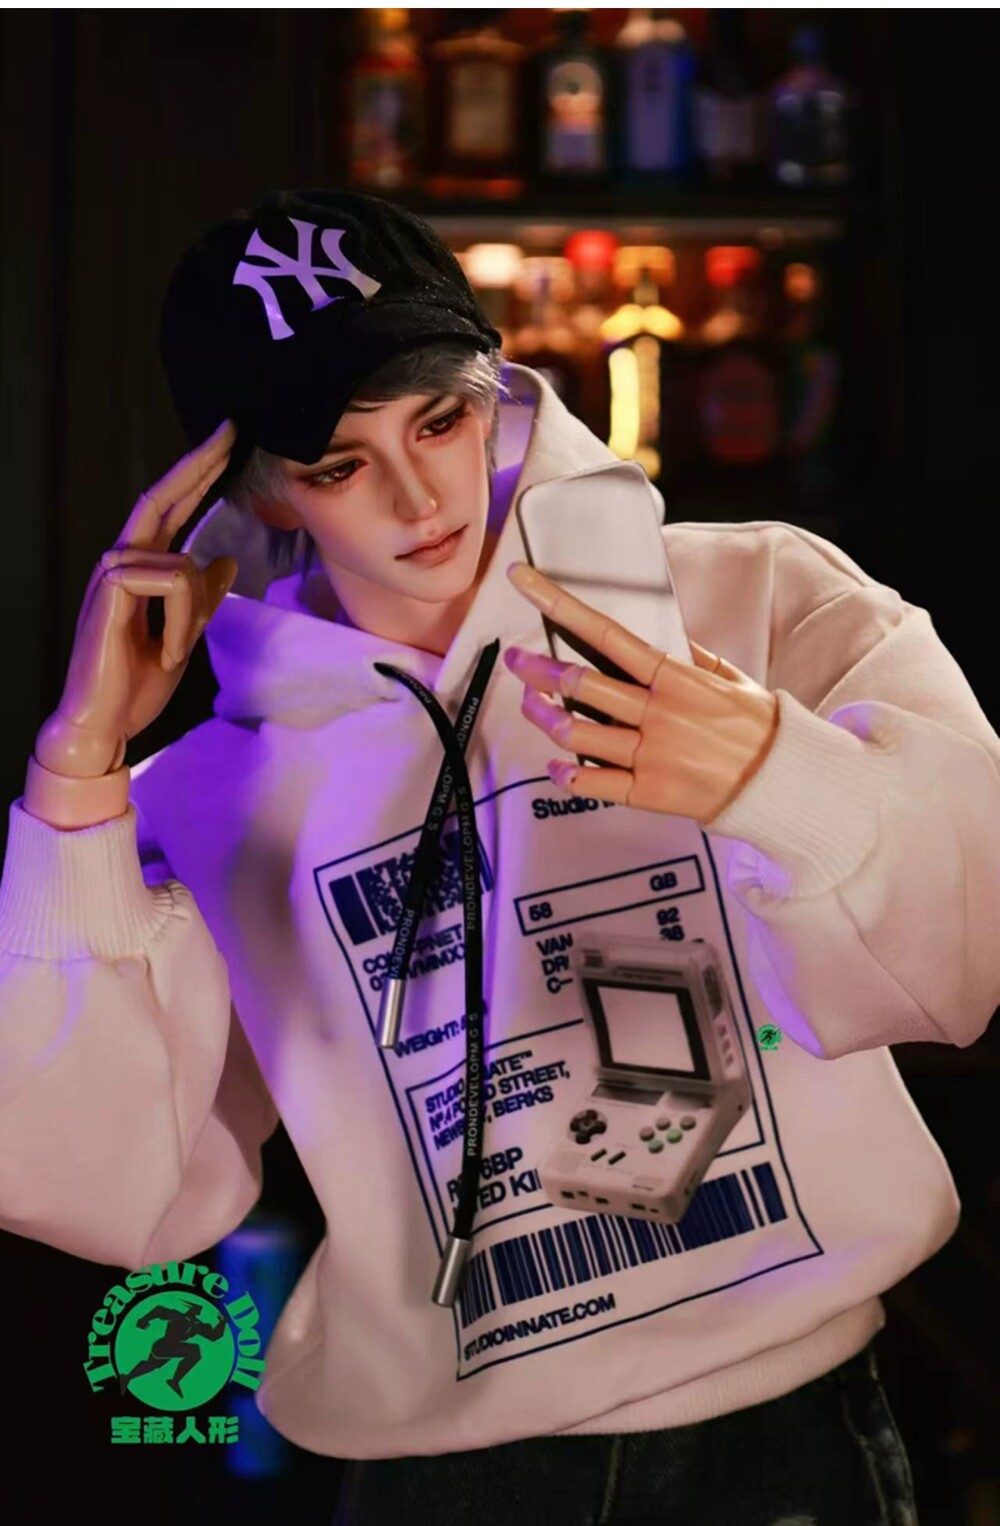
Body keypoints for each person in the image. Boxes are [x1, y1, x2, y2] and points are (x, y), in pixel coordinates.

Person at [1, 188, 996, 1525]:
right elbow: (89, 1183)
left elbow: (972, 951)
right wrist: (76, 774)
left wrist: (777, 775)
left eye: (439, 419)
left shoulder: (758, 598)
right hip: (450, 1477)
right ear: (259, 490)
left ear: (500, 392)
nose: (418, 497)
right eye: (338, 463)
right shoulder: (210, 792)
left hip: (793, 1437)